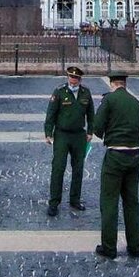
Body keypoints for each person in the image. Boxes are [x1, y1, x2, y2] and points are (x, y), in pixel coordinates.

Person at [93, 72, 139, 259]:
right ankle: (135, 246)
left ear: (112, 84)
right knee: (132, 202)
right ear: (124, 84)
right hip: (135, 155)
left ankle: (109, 247)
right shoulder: (136, 103)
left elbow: (97, 128)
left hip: (115, 156)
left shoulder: (109, 100)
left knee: (109, 201)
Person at [44, 65, 95, 217]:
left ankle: (75, 199)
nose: (73, 80)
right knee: (58, 168)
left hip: (79, 135)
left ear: (80, 79)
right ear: (68, 78)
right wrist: (48, 133)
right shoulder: (59, 92)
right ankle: (54, 202)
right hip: (62, 135)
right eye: (71, 78)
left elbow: (91, 114)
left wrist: (91, 131)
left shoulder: (86, 92)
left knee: (78, 169)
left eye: (76, 78)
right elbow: (51, 114)